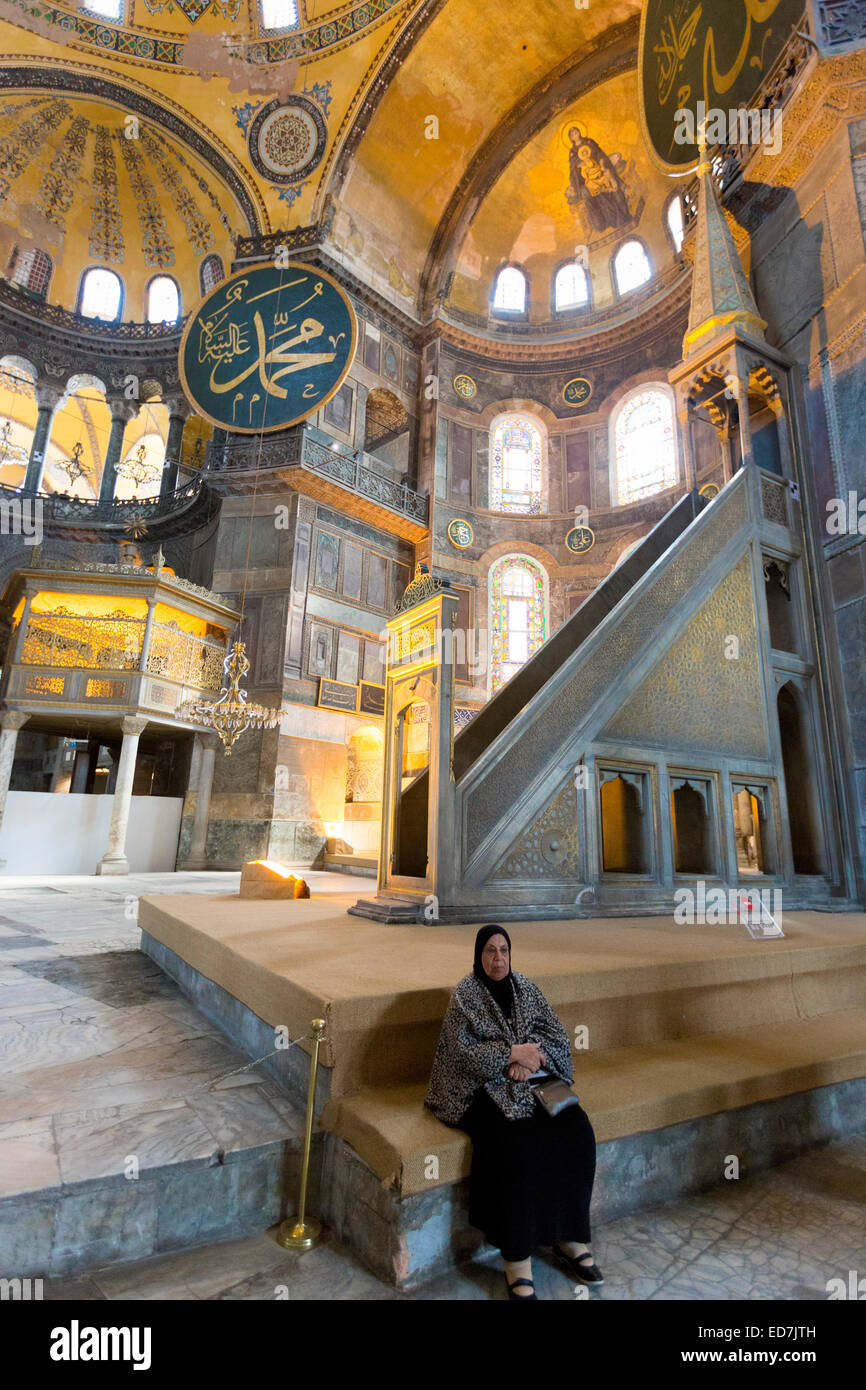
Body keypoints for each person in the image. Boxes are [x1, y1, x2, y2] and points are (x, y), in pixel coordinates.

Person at [425, 924, 601, 1299]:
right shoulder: (466, 994)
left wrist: (530, 1058)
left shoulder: (525, 987)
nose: (498, 958)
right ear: (479, 955)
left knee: (576, 1130)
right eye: (490, 951)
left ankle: (567, 1235)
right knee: (514, 1145)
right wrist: (508, 1056)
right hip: (478, 1087)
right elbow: (460, 1052)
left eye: (504, 950)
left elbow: (555, 1035)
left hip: (533, 1076)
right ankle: (517, 1257)